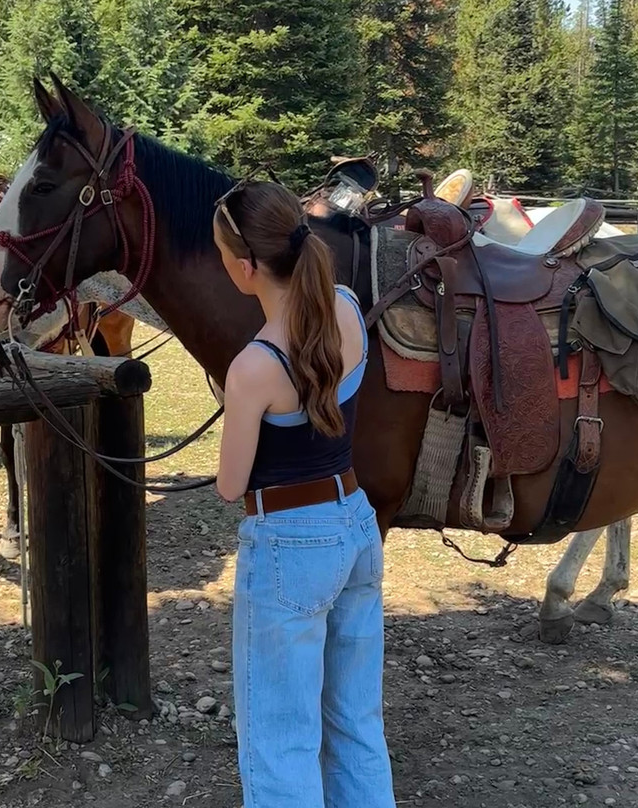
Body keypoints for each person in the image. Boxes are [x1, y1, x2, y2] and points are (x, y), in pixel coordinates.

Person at [212, 180, 395, 808]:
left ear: (244, 268)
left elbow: (231, 484)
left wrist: (236, 411)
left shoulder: (252, 367)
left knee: (279, 740)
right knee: (356, 725)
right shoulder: (345, 304)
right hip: (355, 524)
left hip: (289, 542)